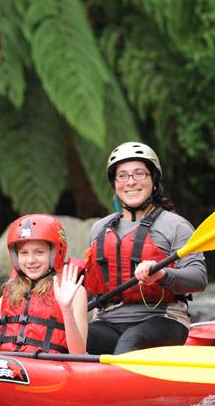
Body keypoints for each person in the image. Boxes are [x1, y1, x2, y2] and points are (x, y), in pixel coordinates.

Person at [83, 141, 207, 355]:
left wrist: (162, 274)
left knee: (130, 341)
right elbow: (90, 285)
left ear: (154, 181)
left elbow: (199, 278)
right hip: (108, 321)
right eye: (122, 175)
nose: (130, 182)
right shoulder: (99, 228)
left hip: (163, 320)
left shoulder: (175, 225)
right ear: (114, 183)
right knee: (75, 338)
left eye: (139, 174)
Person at [0, 214, 88, 355]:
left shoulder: (75, 293)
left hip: (51, 370)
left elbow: (79, 355)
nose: (30, 260)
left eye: (39, 252)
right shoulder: (9, 294)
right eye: (24, 253)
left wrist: (67, 310)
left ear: (55, 254)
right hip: (7, 367)